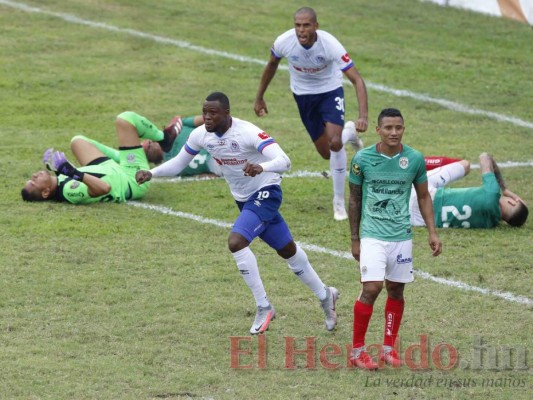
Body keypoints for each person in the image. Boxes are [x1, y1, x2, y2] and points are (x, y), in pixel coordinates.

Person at [136, 92, 339, 334]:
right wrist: (153, 173)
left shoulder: (248, 132)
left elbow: (285, 161)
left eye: (213, 113)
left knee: (236, 242)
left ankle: (264, 306)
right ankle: (326, 295)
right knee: (287, 249)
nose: (207, 118)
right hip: (243, 199)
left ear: (227, 114)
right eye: (205, 113)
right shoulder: (201, 135)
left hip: (267, 191)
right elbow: (179, 163)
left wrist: (260, 167)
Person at [347, 108, 442, 370]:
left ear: (403, 129)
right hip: (372, 236)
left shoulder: (414, 159)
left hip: (401, 236)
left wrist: (432, 232)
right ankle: (357, 351)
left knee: (396, 290)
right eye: (388, 127)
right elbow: (354, 199)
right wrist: (355, 238)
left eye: (398, 127)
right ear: (378, 130)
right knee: (372, 288)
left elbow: (423, 196)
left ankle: (388, 348)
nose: (393, 132)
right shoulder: (362, 159)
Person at [254, 6, 368, 221]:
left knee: (335, 143)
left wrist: (364, 115)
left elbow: (357, 80)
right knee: (326, 152)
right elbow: (271, 65)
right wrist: (259, 97)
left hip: (329, 92)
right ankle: (349, 132)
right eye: (297, 25)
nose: (301, 30)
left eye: (306, 25)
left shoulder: (330, 45)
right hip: (303, 97)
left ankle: (338, 203)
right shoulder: (284, 42)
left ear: (316, 26)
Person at [21, 111, 179, 204]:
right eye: (34, 182)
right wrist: (73, 172)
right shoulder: (69, 192)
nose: (34, 175)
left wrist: (60, 171)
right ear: (46, 193)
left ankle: (137, 153)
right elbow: (104, 188)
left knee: (77, 142)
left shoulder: (61, 181)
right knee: (125, 119)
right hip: (133, 178)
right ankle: (164, 140)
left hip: (110, 168)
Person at [79, 114, 223, 178]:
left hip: (219, 141)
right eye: (146, 151)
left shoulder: (179, 128)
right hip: (218, 162)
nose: (147, 147)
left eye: (147, 145)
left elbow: (205, 119)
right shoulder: (170, 166)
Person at [410, 154, 528, 228]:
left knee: (465, 165)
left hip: (424, 196)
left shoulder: (492, 194)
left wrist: (505, 189)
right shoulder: (491, 223)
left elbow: (485, 157)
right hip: (420, 219)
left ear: (512, 202)